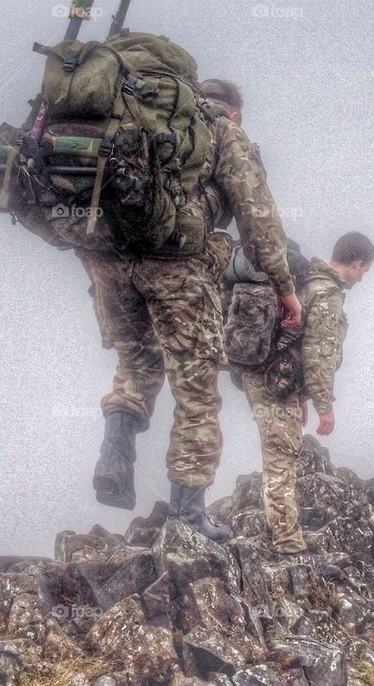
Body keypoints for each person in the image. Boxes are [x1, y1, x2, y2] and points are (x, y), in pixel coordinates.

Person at [76, 77, 301, 540]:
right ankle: (187, 517)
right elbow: (257, 219)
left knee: (136, 364)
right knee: (196, 395)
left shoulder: (137, 122)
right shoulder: (222, 131)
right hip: (178, 269)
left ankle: (115, 452)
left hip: (108, 263)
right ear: (234, 111)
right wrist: (284, 285)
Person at [240, 231, 374, 555]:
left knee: (281, 452)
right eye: (365, 271)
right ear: (356, 264)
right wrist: (324, 406)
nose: (362, 278)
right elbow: (318, 353)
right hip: (273, 383)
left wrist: (301, 397)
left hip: (273, 379)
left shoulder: (306, 281)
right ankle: (287, 542)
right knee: (281, 455)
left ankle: (283, 531)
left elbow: (295, 344)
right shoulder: (326, 293)